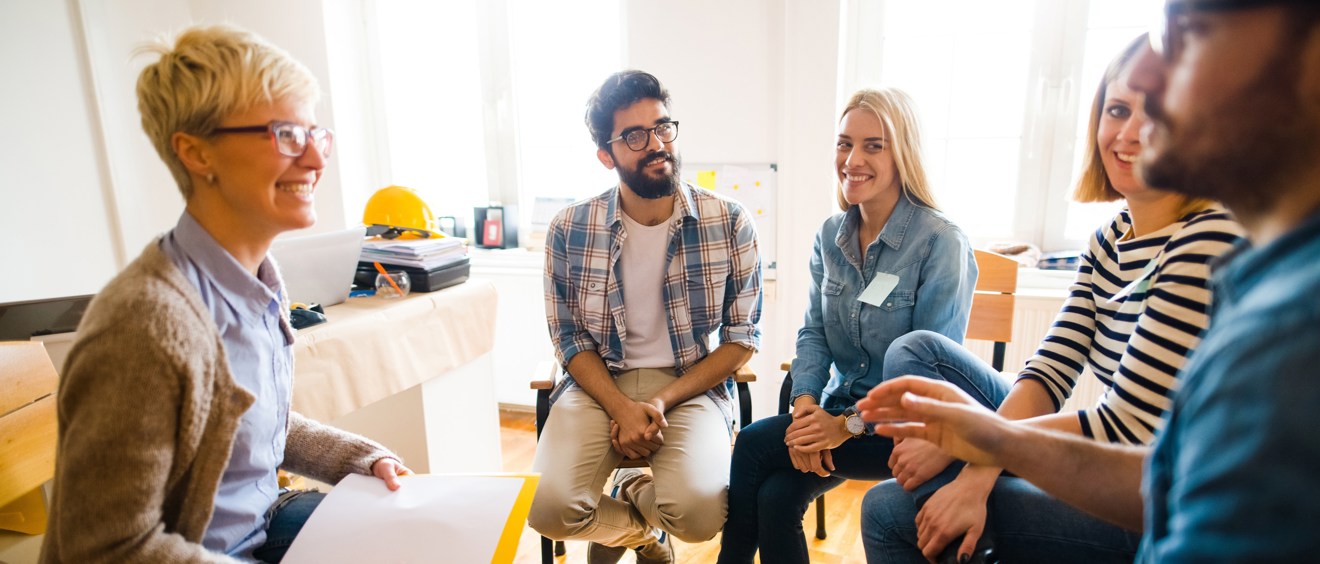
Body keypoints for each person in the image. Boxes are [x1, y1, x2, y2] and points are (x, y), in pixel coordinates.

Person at [859, 1, 1320, 561]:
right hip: (1132, 451)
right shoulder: (1109, 236)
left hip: (1129, 472)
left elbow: (1126, 426)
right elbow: (1052, 368)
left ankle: (960, 525)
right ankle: (959, 524)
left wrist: (979, 468)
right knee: (918, 354)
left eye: (1194, 34)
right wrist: (981, 448)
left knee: (888, 509)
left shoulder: (1212, 242)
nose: (1129, 131)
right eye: (1116, 109)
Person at [40, 25, 411, 563]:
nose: (315, 160)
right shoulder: (142, 325)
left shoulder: (259, 280)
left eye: (315, 134)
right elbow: (106, 548)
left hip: (260, 525)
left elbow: (255, 425)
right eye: (286, 135)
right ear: (196, 153)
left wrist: (357, 457)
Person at [718, 87, 985, 564]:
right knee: (776, 498)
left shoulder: (939, 243)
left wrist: (844, 426)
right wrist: (804, 412)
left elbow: (928, 381)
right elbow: (814, 334)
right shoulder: (830, 234)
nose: (852, 159)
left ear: (902, 154)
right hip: (833, 413)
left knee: (755, 447)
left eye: (873, 145)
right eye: (844, 143)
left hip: (906, 432)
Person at [527, 70, 762, 564]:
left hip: (687, 384)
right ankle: (645, 537)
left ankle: (633, 486)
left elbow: (741, 338)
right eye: (635, 136)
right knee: (545, 508)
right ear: (606, 155)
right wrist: (619, 407)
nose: (656, 145)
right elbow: (569, 339)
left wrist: (658, 400)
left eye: (662, 127)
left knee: (699, 519)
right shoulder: (569, 229)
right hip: (599, 385)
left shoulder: (729, 221)